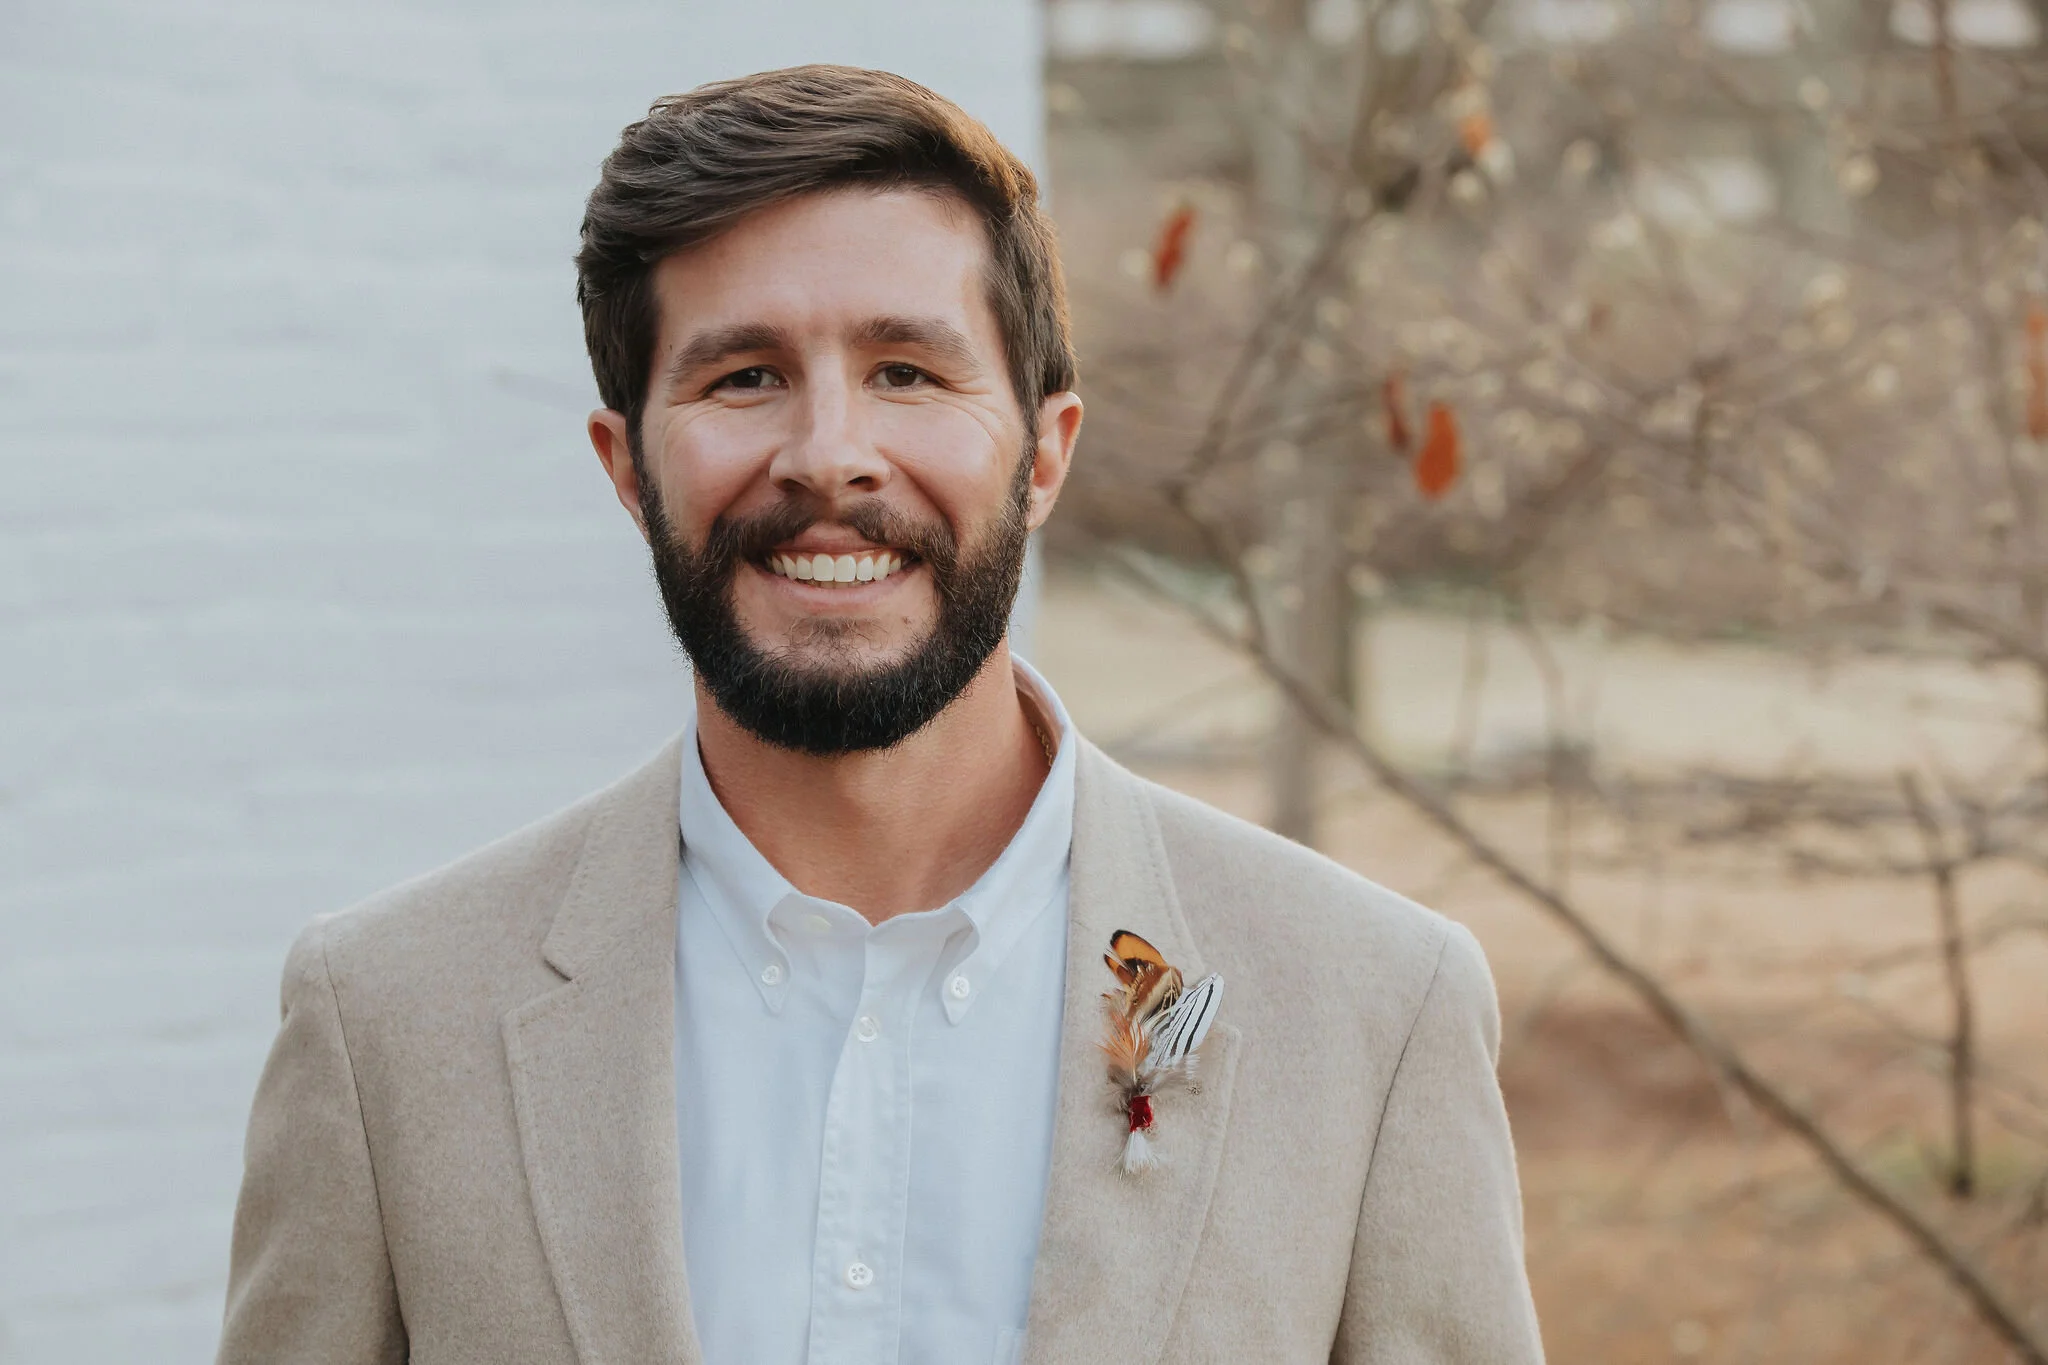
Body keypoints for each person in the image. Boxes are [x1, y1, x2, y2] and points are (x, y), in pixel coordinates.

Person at [217, 64, 1544, 1365]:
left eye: (906, 371)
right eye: (744, 377)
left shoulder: (1376, 1009)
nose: (829, 456)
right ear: (628, 469)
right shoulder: (385, 1021)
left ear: (1046, 454)